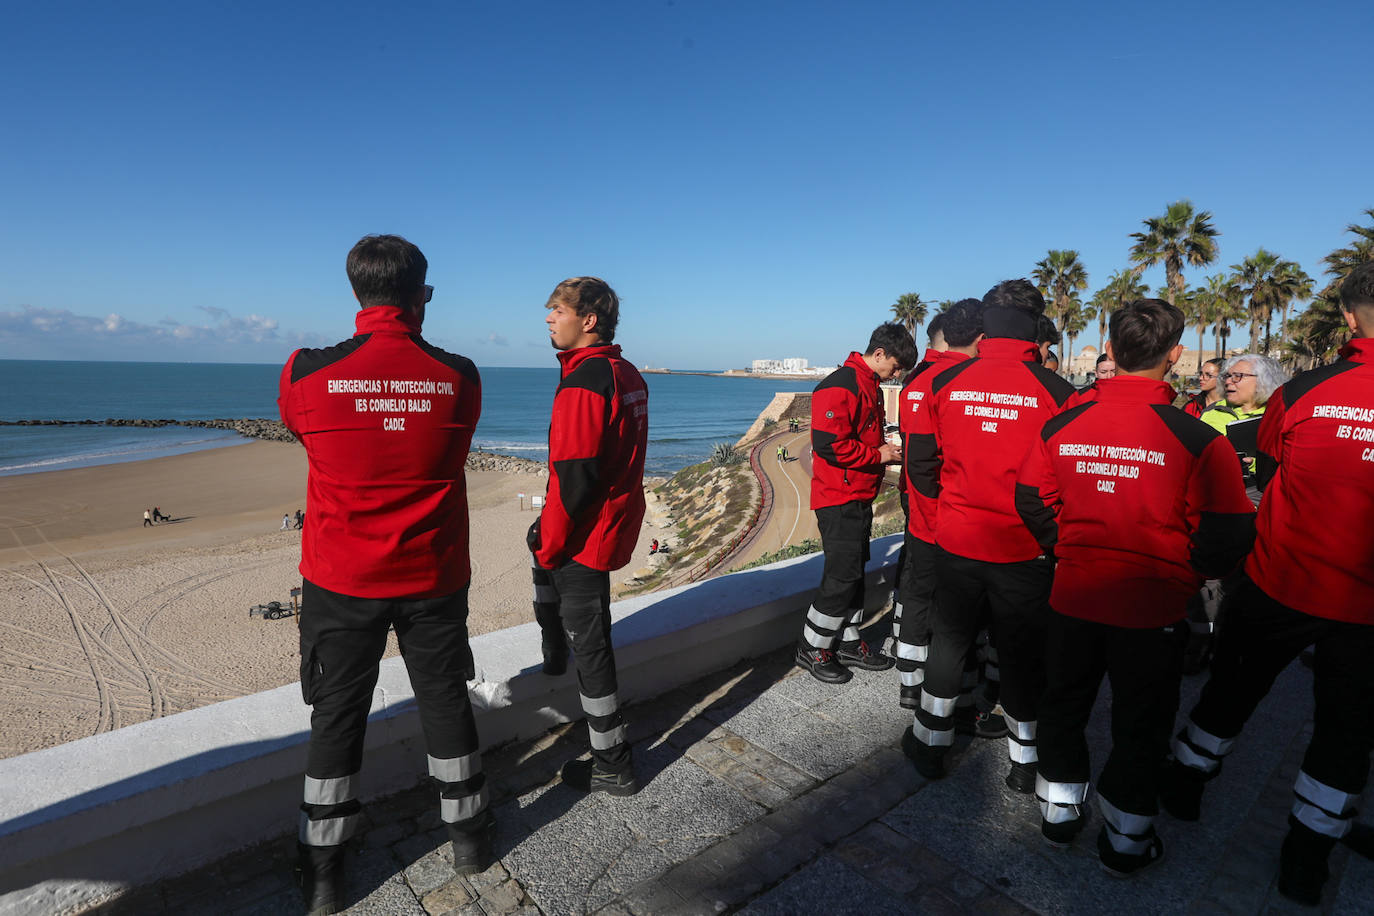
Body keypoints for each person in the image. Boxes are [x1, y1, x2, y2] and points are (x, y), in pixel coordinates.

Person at [278, 234, 487, 913]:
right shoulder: (461, 376)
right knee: (446, 700)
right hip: (432, 574)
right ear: (419, 293)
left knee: (337, 713)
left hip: (342, 579)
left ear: (357, 292)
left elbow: (305, 432)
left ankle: (323, 872)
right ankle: (469, 836)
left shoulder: (306, 373)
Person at [1015, 299, 1254, 875]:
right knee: (1141, 721)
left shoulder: (1062, 426)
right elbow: (1229, 533)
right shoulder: (1198, 439)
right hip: (1155, 607)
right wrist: (1185, 571)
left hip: (1073, 595)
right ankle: (1126, 840)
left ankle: (1058, 813)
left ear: (1113, 353)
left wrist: (1066, 550)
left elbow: (1031, 500)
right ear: (1174, 356)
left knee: (1064, 706)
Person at [1159, 261, 1374, 904]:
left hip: (1281, 579)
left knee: (1231, 692)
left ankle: (1186, 788)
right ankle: (1306, 862)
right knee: (1346, 735)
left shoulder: (1306, 391)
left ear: (1346, 315)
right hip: (1366, 608)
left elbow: (1275, 459)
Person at [903, 279, 1076, 791]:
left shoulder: (944, 382)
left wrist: (950, 510)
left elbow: (919, 465)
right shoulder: (1059, 393)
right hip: (1024, 549)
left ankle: (931, 742)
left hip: (955, 539)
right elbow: (1062, 480)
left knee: (950, 641)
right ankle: (1025, 764)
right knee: (1021, 654)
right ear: (1034, 325)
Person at [528, 276, 649, 796]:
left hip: (584, 534)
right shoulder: (625, 373)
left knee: (592, 644)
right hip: (611, 523)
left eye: (557, 309)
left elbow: (575, 476)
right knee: (589, 633)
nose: (549, 318)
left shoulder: (585, 381)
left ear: (588, 319)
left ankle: (612, 762)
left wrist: (549, 542)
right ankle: (553, 653)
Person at [894, 298, 1003, 743]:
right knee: (951, 614)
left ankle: (911, 683)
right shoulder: (956, 381)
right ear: (981, 340)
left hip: (921, 510)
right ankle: (945, 699)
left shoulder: (918, 379)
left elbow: (915, 459)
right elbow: (929, 461)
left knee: (918, 594)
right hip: (947, 519)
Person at [795, 322, 916, 683]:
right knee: (842, 575)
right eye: (894, 367)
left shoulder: (869, 385)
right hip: (838, 497)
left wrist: (881, 454)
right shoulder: (839, 385)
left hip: (859, 495)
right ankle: (811, 646)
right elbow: (829, 445)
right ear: (878, 354)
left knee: (854, 574)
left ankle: (848, 641)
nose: (896, 375)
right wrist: (878, 455)